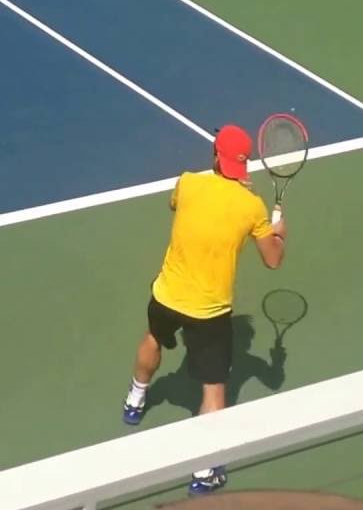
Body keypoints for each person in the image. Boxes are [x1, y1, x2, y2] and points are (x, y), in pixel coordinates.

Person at [121, 125, 287, 495]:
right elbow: (273, 260)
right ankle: (203, 471)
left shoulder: (188, 182)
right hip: (209, 312)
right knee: (214, 387)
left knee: (153, 339)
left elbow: (175, 204)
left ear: (216, 156)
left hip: (166, 294)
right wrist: (279, 232)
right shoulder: (252, 207)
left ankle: (135, 400)